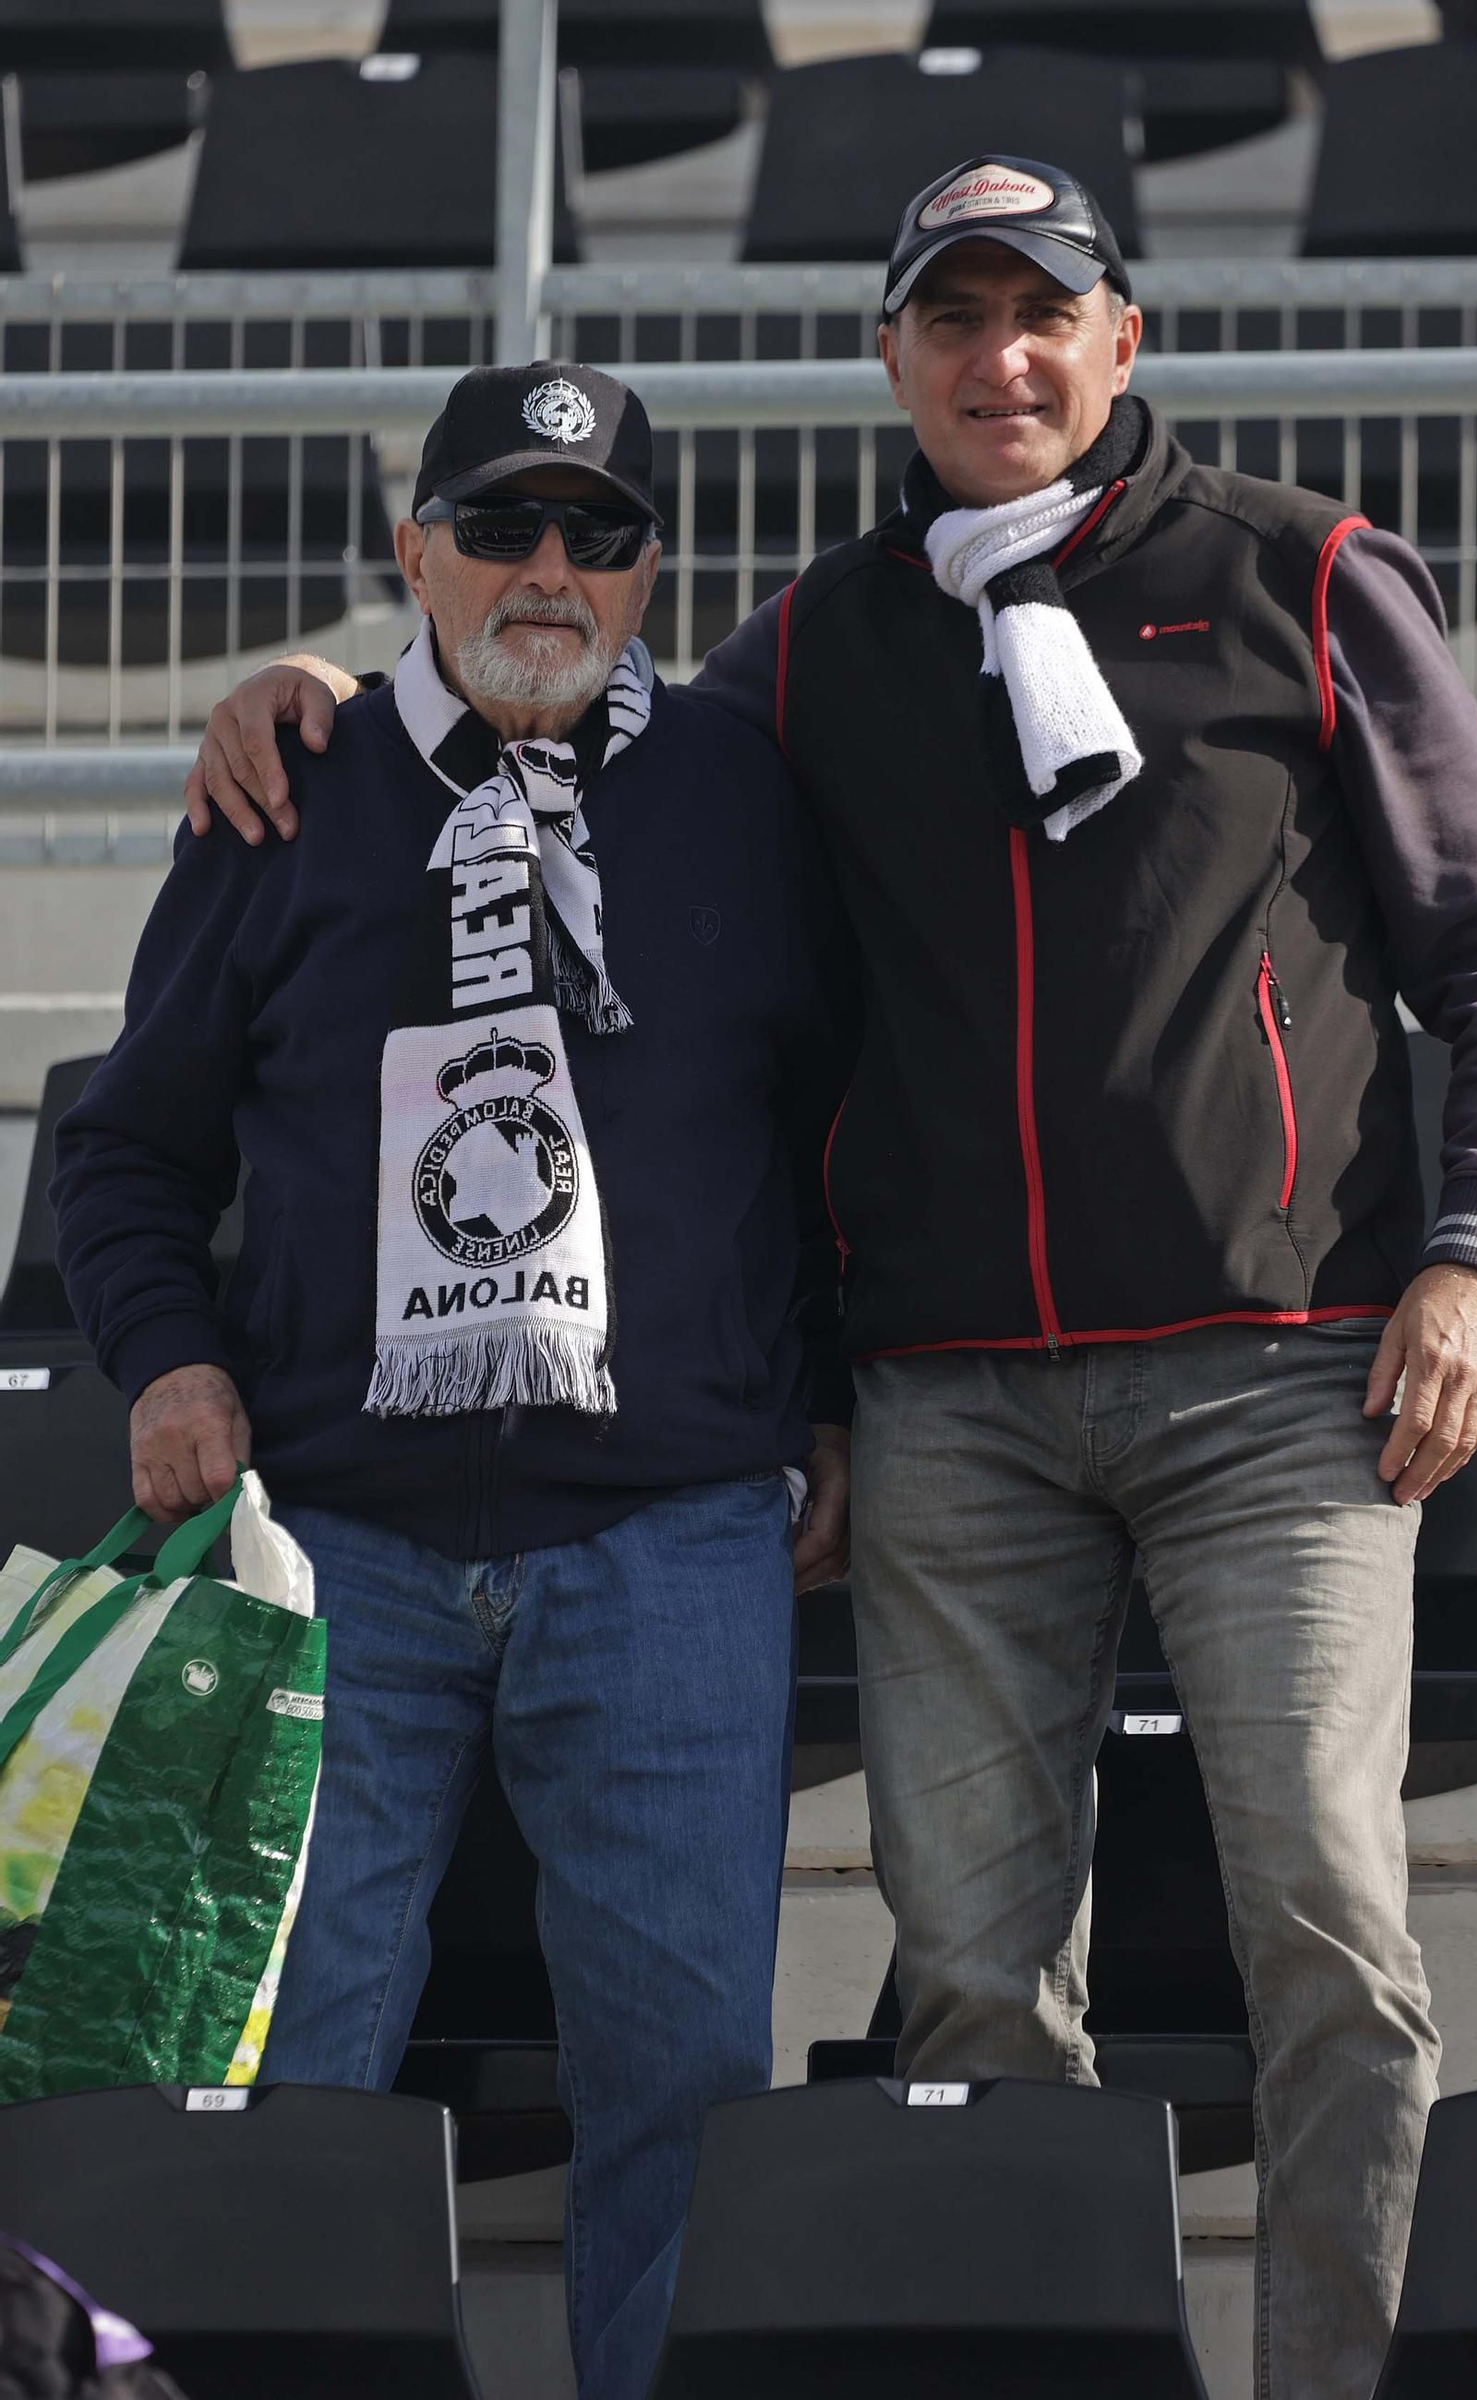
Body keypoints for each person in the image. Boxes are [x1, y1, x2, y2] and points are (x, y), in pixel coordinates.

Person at [183, 160, 1477, 2400]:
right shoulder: (814, 650)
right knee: (962, 1983)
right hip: (953, 1407)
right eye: (951, 316)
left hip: (1280, 1378)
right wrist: (312, 696)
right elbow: (537, 700)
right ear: (889, 360)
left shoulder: (1298, 570)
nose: (997, 356)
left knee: (1326, 1939)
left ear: (1121, 342)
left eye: (1043, 314)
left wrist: (1476, 1254)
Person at [52, 361, 854, 2400]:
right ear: (409, 552)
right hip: (341, 1550)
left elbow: (836, 1127)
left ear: (652, 571)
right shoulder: (288, 788)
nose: (546, 572)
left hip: (666, 1537)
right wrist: (167, 1359)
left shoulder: (744, 792)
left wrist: (824, 1401)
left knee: (683, 2083)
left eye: (595, 534)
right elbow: (130, 1149)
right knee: (284, 2068)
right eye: (497, 526)